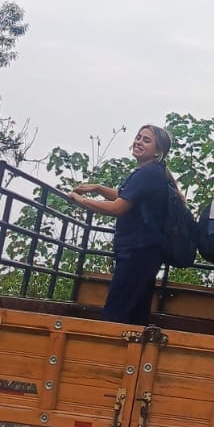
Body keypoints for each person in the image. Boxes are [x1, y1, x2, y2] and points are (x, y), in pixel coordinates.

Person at [67, 124, 177, 324]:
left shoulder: (148, 174)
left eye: (146, 140)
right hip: (146, 252)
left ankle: (109, 345)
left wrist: (81, 200)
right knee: (135, 313)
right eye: (138, 137)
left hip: (137, 252)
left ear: (157, 151)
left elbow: (118, 207)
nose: (138, 142)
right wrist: (98, 188)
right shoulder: (152, 172)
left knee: (116, 312)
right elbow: (127, 196)